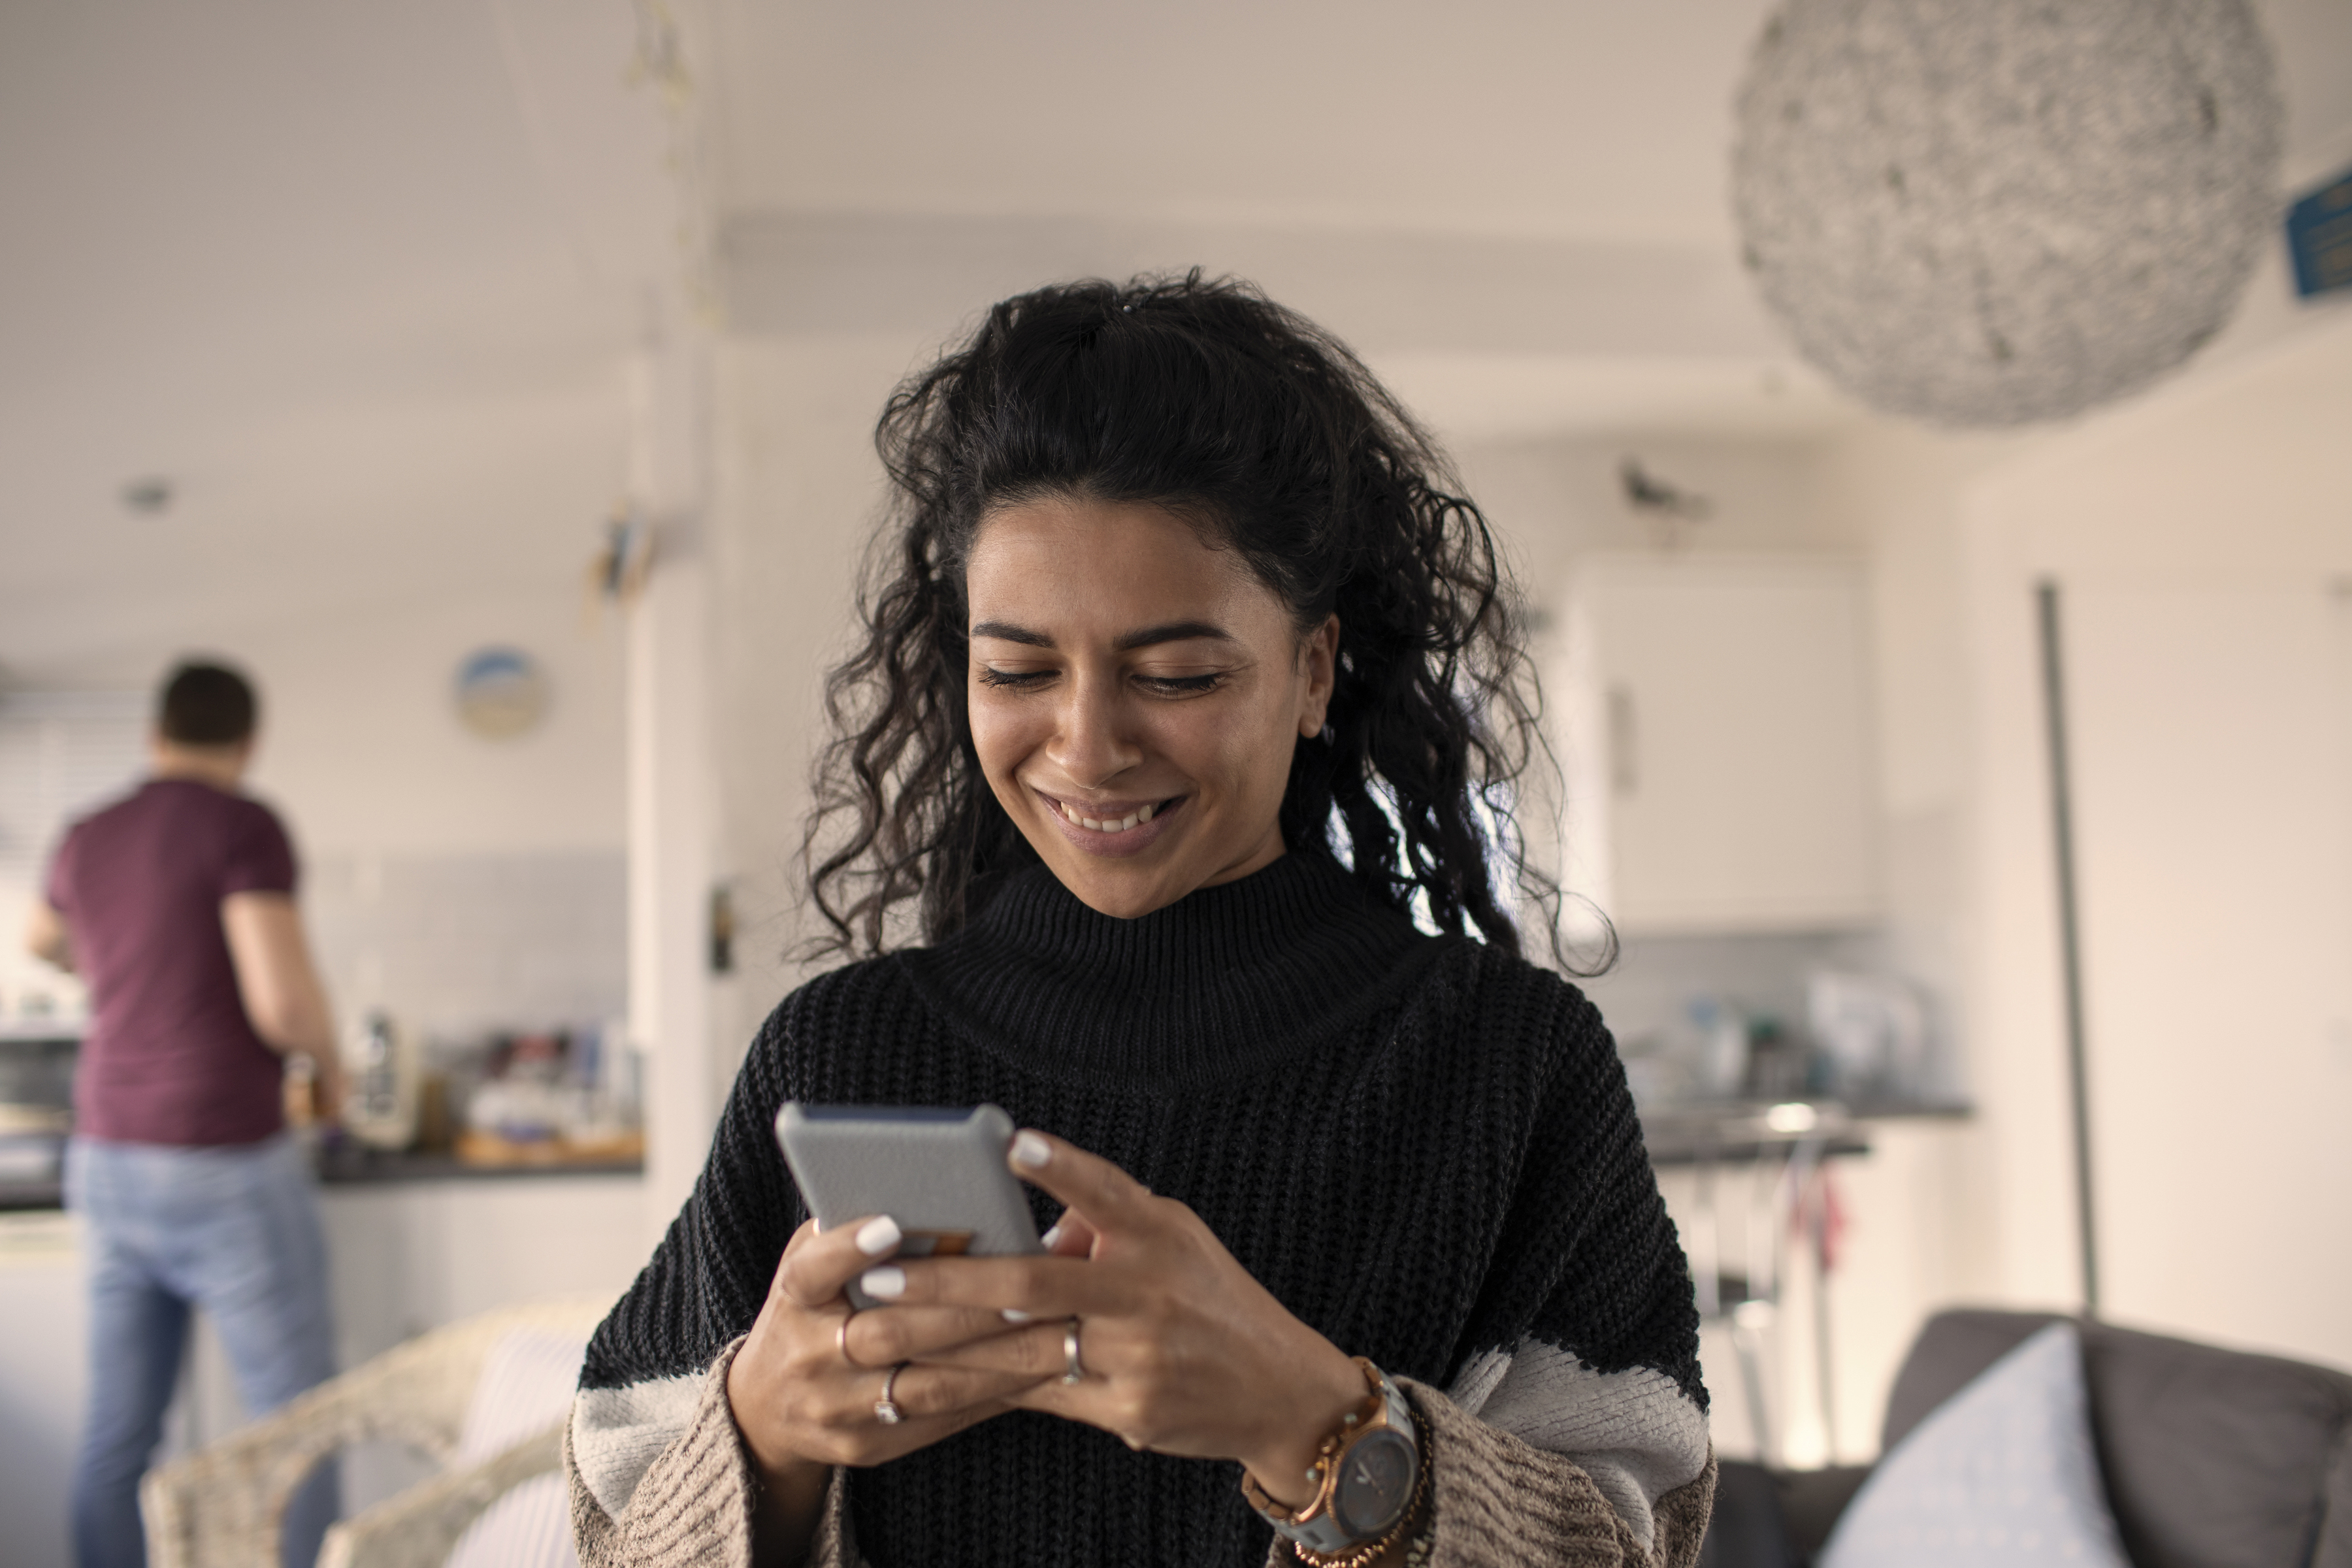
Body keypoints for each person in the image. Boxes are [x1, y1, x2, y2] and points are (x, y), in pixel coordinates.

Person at [567, 275, 1713, 1568]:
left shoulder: (1508, 1066)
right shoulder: (836, 1056)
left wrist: (1321, 1424)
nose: (1088, 745)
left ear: (1314, 671)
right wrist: (762, 1435)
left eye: (1177, 675)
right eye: (1017, 670)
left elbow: (1638, 1543)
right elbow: (611, 1518)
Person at [28, 661, 343, 1568]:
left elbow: (43, 943)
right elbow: (281, 1005)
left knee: (118, 1438)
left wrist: (130, 973)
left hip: (109, 1158)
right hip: (222, 1161)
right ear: (248, 742)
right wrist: (327, 1070)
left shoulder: (88, 834)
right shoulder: (243, 824)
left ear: (155, 735)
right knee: (301, 1424)